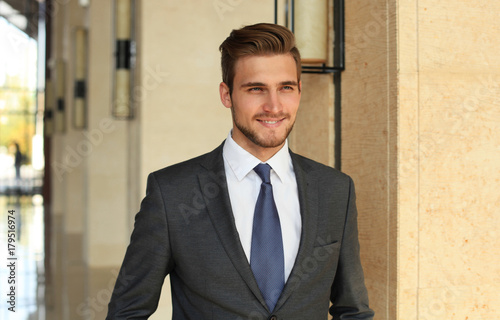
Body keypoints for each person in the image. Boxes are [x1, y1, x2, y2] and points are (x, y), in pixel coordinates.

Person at [107, 23, 374, 319]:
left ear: (299, 91)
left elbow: (353, 310)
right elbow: (127, 312)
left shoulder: (335, 190)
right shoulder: (172, 193)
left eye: (285, 88)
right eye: (256, 89)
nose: (273, 106)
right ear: (227, 95)